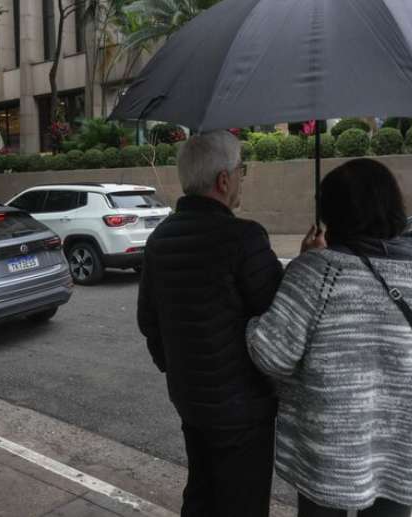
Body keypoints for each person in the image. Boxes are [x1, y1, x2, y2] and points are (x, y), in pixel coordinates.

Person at [247, 158, 412, 517]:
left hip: (328, 449)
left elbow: (273, 355)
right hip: (400, 438)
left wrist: (253, 322)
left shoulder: (315, 271)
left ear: (332, 211)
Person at [137, 130, 285, 517]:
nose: (241, 179)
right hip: (244, 410)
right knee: (243, 503)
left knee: (201, 494)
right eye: (240, 171)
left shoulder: (159, 239)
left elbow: (149, 322)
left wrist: (179, 369)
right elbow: (279, 318)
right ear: (223, 180)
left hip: (190, 400)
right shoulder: (244, 238)